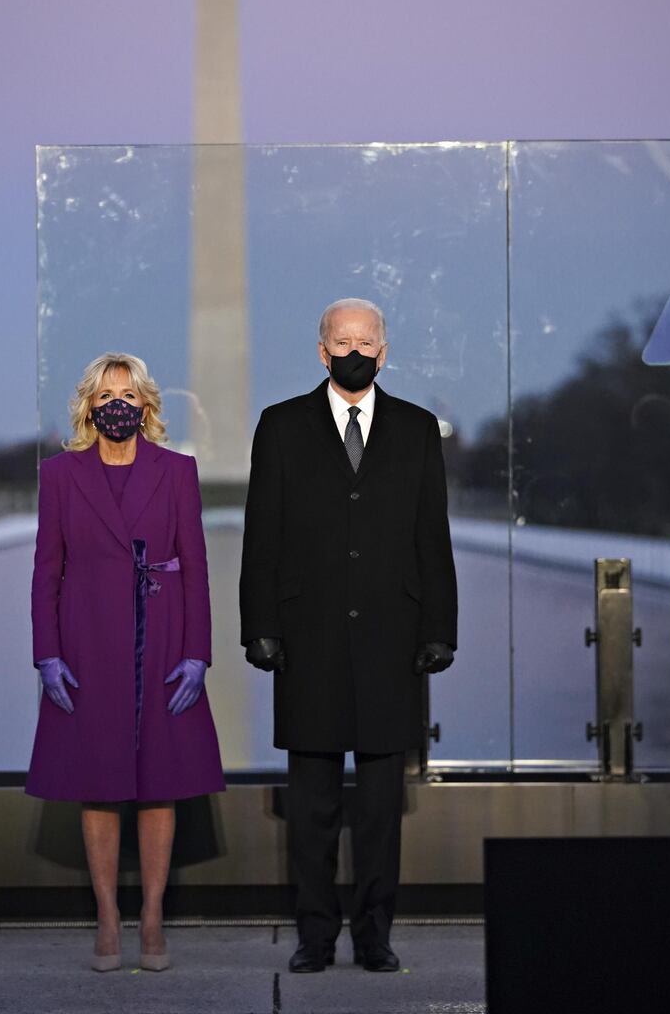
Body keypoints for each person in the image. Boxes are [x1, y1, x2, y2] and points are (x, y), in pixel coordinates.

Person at [240, 299, 457, 974]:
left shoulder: (419, 429)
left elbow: (432, 536)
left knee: (381, 809)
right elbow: (261, 537)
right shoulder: (280, 427)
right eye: (342, 340)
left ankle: (374, 934)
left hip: (393, 638)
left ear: (384, 351)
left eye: (365, 342)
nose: (354, 351)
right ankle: (314, 935)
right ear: (322, 349)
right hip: (309, 640)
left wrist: (439, 628)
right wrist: (261, 628)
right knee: (312, 807)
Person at [26, 351, 224, 972]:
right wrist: (47, 654)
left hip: (160, 638)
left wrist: (197, 654)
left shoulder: (177, 471)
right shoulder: (59, 475)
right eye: (107, 394)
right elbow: (45, 571)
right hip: (88, 644)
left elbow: (195, 567)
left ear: (146, 405)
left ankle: (154, 916)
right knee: (99, 786)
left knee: (161, 783)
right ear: (89, 404)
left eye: (129, 394)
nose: (119, 404)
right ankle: (108, 916)